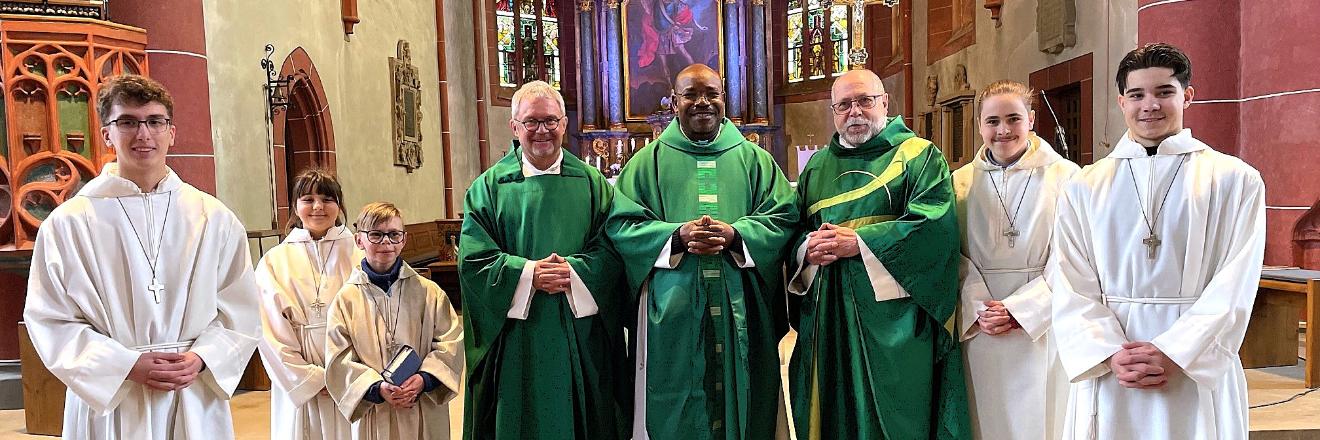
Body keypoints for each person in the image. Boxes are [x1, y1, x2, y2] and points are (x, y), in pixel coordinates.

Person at [23, 74, 261, 439]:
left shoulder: (213, 218)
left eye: (154, 121)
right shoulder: (69, 223)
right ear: (107, 134)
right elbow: (49, 318)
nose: (143, 134)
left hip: (191, 391)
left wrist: (202, 358)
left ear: (171, 132)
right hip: (113, 397)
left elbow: (240, 308)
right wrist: (124, 365)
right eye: (128, 122)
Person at [1048, 42, 1265, 439]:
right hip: (1114, 364)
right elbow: (1069, 279)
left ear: (1187, 95)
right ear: (1121, 102)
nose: (1149, 105)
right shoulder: (1084, 185)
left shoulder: (1234, 180)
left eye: (1164, 92)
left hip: (1192, 364)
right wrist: (1109, 352)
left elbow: (1237, 281)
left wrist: (1176, 352)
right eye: (1137, 95)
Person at [607, 63, 799, 439]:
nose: (702, 103)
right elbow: (622, 226)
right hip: (672, 311)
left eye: (711, 94)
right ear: (674, 101)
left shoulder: (754, 160)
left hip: (741, 305)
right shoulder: (647, 164)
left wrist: (738, 236)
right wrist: (675, 237)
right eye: (691, 95)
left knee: (746, 400)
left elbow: (784, 217)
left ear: (723, 97)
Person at [786, 69, 970, 440]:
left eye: (864, 101)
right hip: (828, 316)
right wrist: (807, 249)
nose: (854, 112)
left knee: (897, 417)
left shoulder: (918, 157)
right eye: (844, 105)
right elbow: (792, 232)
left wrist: (860, 243)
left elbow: (934, 228)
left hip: (893, 319)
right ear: (833, 111)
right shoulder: (817, 167)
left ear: (885, 102)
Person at [458, 81, 630, 440]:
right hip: (516, 338)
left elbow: (614, 249)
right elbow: (474, 261)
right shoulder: (488, 189)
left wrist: (574, 272)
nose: (542, 131)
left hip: (579, 333)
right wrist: (528, 274)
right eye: (531, 122)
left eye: (550, 121)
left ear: (564, 124)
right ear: (514, 127)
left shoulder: (592, 183)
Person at [952, 80, 1078, 439]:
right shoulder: (959, 183)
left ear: (1031, 119)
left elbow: (1072, 256)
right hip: (981, 325)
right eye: (992, 121)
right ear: (979, 125)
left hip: (1041, 326)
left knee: (1038, 421)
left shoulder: (1066, 177)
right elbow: (952, 254)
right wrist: (979, 306)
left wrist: (1022, 310)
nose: (1003, 130)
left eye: (1013, 119)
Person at [324, 202, 464, 439]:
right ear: (359, 240)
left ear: (404, 239)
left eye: (393, 234)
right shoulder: (346, 300)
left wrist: (425, 379)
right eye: (375, 235)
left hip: (421, 403)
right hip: (376, 410)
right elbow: (338, 358)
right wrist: (377, 388)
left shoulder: (429, 292)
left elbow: (450, 342)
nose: (386, 242)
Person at [256, 169, 360, 439]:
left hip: (351, 373)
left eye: (327, 199)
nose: (318, 207)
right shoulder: (275, 260)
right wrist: (307, 379)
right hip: (299, 376)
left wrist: (347, 373)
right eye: (308, 199)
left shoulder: (359, 254)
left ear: (339, 205)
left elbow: (373, 319)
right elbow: (267, 329)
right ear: (295, 206)